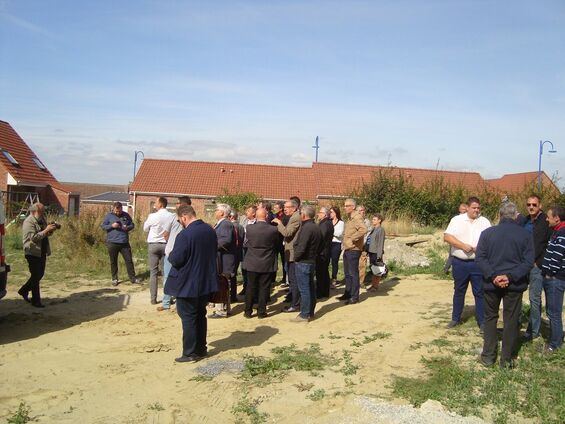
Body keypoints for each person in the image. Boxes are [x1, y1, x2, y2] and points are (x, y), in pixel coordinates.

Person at [475, 202, 534, 368]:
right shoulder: (524, 235)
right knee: (511, 320)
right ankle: (506, 359)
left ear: (499, 215)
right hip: (514, 284)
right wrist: (510, 276)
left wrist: (494, 276)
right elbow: (528, 261)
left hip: (491, 284)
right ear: (516, 216)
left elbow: (480, 258)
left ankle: (488, 356)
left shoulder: (487, 233)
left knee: (490, 318)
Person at [165, 205, 218, 363]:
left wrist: (170, 254)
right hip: (205, 282)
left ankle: (190, 353)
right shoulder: (210, 231)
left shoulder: (185, 234)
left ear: (184, 217)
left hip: (187, 283)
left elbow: (176, 259)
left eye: (179, 220)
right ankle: (201, 349)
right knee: (201, 315)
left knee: (188, 317)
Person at [443, 196, 491, 331]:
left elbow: (490, 239)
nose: (477, 210)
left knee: (480, 292)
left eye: (478, 208)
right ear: (468, 208)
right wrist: (462, 245)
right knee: (459, 291)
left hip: (478, 263)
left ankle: (482, 322)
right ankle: (455, 318)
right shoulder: (457, 220)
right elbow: (447, 237)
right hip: (460, 263)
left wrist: (479, 248)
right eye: (474, 208)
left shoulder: (484, 222)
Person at [519, 195, 552, 341]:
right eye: (528, 204)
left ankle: (533, 331)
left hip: (536, 266)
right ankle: (518, 322)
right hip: (522, 265)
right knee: (517, 294)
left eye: (534, 204)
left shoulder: (545, 221)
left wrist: (538, 262)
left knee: (534, 299)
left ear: (540, 205)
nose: (531, 207)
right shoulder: (525, 221)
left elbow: (548, 244)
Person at [18, 203, 59, 308]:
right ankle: (36, 301)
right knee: (36, 276)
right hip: (32, 252)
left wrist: (51, 229)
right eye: (41, 211)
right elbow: (34, 238)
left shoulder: (41, 219)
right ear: (34, 211)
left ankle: (23, 290)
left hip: (41, 251)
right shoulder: (29, 222)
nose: (43, 213)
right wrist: (46, 230)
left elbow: (45, 234)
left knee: (39, 275)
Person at [242, 208, 279, 318]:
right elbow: (276, 244)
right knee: (264, 287)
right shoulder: (273, 230)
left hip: (252, 261)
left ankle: (248, 311)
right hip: (267, 261)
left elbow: (246, 242)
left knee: (250, 286)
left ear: (256, 216)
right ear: (266, 216)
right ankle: (261, 311)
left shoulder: (249, 228)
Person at [158, 196, 192, 312]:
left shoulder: (190, 219)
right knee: (168, 277)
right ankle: (166, 302)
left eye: (178, 203)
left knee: (181, 278)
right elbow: (166, 234)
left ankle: (179, 303)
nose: (176, 205)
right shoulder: (172, 218)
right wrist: (172, 245)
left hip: (182, 254)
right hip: (171, 253)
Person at [540, 206, 565, 353]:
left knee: (554, 312)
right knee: (552, 311)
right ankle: (555, 339)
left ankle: (554, 345)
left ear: (557, 218)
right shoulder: (557, 231)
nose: (547, 219)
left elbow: (557, 257)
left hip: (555, 279)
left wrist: (549, 273)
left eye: (549, 216)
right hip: (552, 277)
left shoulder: (562, 234)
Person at [292, 205, 322, 322]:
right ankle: (310, 312)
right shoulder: (315, 227)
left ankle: (304, 314)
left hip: (303, 262)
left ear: (303, 215)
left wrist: (296, 257)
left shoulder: (307, 228)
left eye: (300, 214)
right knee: (310, 288)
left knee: (304, 289)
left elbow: (301, 246)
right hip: (311, 261)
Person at [143, 197, 175, 305]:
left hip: (153, 244)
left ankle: (153, 298)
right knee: (166, 272)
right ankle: (167, 297)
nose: (155, 205)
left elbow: (145, 228)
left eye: (156, 203)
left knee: (153, 272)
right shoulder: (171, 216)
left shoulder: (152, 216)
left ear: (161, 204)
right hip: (166, 244)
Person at [272, 198, 301, 312]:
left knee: (293, 279)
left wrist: (279, 223)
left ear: (293, 208)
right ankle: (295, 302)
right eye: (284, 208)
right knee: (292, 279)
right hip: (290, 250)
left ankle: (295, 304)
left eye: (287, 208)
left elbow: (287, 232)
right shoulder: (293, 217)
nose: (285, 210)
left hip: (293, 252)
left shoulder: (295, 218)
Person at [100, 202, 138, 287]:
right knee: (113, 261)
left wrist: (127, 227)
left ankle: (132, 278)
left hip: (124, 243)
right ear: (113, 209)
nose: (118, 213)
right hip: (112, 242)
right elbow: (103, 226)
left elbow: (132, 225)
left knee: (129, 260)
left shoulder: (126, 215)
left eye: (119, 211)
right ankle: (114, 278)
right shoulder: (109, 216)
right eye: (116, 211)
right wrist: (111, 226)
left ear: (121, 209)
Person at [338, 199, 367, 305]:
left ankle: (355, 297)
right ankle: (348, 293)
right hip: (348, 249)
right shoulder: (350, 218)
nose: (344, 207)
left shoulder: (357, 217)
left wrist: (352, 239)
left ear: (353, 207)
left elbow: (363, 229)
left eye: (347, 205)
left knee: (353, 273)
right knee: (347, 273)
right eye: (344, 205)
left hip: (354, 249)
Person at [211, 203, 236, 318]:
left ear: (222, 212)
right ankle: (224, 309)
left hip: (224, 260)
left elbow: (225, 240)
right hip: (221, 259)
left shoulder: (225, 224)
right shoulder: (221, 224)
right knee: (223, 284)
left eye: (216, 210)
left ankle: (222, 311)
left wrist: (211, 246)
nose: (215, 211)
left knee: (222, 284)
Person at [443, 203, 469, 274]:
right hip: (455, 240)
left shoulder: (469, 219)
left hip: (464, 241)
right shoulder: (456, 219)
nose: (464, 211)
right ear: (459, 210)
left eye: (465, 209)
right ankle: (445, 270)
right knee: (452, 255)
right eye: (462, 209)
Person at [316, 207, 334, 298]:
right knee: (324, 272)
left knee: (321, 273)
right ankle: (324, 291)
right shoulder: (327, 222)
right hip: (325, 251)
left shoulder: (325, 224)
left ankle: (320, 292)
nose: (318, 214)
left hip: (322, 252)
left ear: (325, 214)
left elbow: (320, 238)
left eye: (320, 212)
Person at [229, 210, 245, 303]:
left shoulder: (230, 226)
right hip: (238, 253)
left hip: (231, 254)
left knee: (230, 276)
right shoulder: (241, 227)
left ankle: (230, 296)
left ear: (231, 217)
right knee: (233, 275)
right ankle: (234, 295)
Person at [366, 214, 385, 291]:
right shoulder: (373, 229)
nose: (372, 221)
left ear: (379, 220)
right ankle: (373, 285)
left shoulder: (381, 230)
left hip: (376, 253)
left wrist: (379, 255)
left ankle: (375, 286)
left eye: (374, 219)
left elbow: (380, 243)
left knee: (377, 270)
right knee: (374, 269)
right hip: (371, 252)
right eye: (372, 219)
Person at [357, 205, 372, 286]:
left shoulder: (367, 222)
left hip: (363, 246)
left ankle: (360, 282)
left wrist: (364, 243)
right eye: (359, 210)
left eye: (362, 210)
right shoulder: (353, 221)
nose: (361, 212)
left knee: (362, 264)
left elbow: (368, 234)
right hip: (354, 246)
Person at [329, 206, 344, 288]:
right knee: (326, 261)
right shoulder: (329, 221)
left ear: (336, 213)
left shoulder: (341, 223)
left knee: (334, 262)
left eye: (331, 212)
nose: (330, 214)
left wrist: (330, 231)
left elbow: (339, 234)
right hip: (328, 243)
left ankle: (334, 279)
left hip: (336, 244)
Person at [272, 201, 286, 285]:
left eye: (276, 207)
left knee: (284, 260)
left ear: (281, 209)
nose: (274, 209)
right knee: (274, 260)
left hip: (282, 241)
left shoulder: (284, 217)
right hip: (275, 241)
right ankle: (272, 278)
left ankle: (284, 278)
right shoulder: (275, 216)